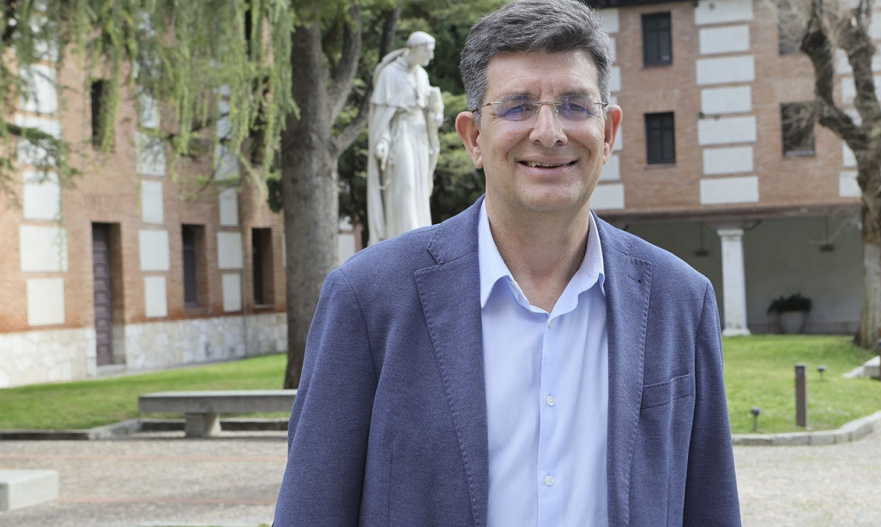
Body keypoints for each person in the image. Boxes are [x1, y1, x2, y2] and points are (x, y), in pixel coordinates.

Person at [274, 0, 742, 525]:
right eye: (518, 106)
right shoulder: (367, 298)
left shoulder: (681, 299)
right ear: (474, 138)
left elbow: (710, 505)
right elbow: (310, 509)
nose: (548, 132)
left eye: (574, 105)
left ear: (608, 132)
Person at [366, 31, 444, 245]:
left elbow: (429, 109)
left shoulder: (421, 75)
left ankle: (419, 239)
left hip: (420, 136)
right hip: (401, 135)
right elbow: (381, 117)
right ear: (416, 48)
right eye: (427, 52)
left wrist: (436, 112)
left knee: (420, 190)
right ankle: (404, 243)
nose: (431, 58)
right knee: (405, 186)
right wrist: (381, 141)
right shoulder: (389, 75)